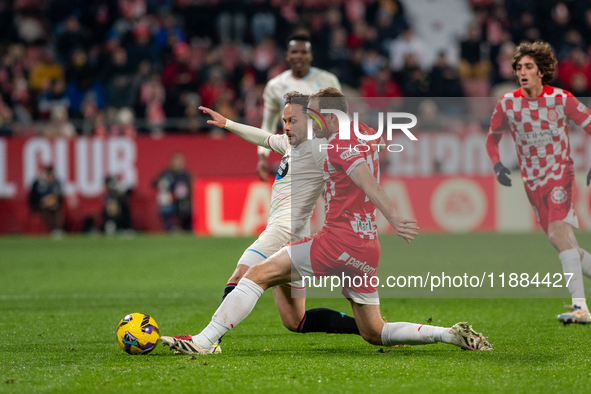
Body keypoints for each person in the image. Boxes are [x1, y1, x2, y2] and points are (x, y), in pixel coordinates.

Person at [161, 88, 492, 355]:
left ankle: (205, 342)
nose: (306, 120)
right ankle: (448, 335)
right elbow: (274, 139)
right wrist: (230, 124)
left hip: (334, 241)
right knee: (373, 332)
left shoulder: (331, 146)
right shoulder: (358, 134)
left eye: (312, 113)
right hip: (365, 247)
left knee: (254, 275)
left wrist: (395, 217)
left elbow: (365, 180)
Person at [182, 92, 360, 354]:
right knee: (296, 320)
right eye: (284, 120)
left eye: (293, 120)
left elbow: (345, 169)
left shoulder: (318, 149)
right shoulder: (291, 144)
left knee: (240, 275)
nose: (286, 126)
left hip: (282, 231)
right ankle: (369, 327)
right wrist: (228, 124)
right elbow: (264, 138)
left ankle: (209, 341)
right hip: (296, 240)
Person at [486, 41, 591, 325]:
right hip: (532, 183)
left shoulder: (561, 99)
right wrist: (497, 164)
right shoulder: (507, 103)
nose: (523, 72)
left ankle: (580, 307)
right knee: (568, 244)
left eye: (529, 67)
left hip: (560, 175)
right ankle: (580, 305)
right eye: (519, 67)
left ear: (541, 71)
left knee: (559, 236)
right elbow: (491, 138)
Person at [256, 32, 341, 182]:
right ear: (287, 55)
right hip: (296, 156)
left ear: (311, 55)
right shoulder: (275, 86)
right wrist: (262, 156)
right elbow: (267, 125)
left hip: (326, 155)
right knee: (297, 204)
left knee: (335, 202)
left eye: (303, 52)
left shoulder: (328, 81)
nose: (299, 56)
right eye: (295, 52)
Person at [153, 153, 192, 232]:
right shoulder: (166, 174)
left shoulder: (186, 175)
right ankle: (170, 229)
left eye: (179, 161)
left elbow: (193, 189)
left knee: (190, 210)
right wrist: (160, 182)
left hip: (183, 202)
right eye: (175, 161)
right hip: (170, 202)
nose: (177, 164)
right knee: (164, 206)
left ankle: (188, 230)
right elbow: (154, 183)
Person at [29, 166, 64, 237]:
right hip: (39, 205)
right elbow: (33, 196)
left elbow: (60, 196)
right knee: (46, 211)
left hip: (53, 204)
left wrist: (54, 200)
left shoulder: (56, 182)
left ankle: (57, 229)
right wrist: (42, 202)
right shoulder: (39, 183)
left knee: (57, 210)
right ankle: (50, 229)